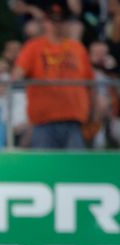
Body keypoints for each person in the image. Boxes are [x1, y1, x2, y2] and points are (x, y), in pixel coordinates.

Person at [12, 1, 95, 149]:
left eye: (61, 20)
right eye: (52, 20)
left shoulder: (77, 48)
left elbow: (90, 84)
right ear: (45, 22)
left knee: (74, 170)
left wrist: (93, 114)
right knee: (44, 170)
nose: (57, 25)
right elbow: (16, 76)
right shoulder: (33, 47)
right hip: (43, 122)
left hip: (74, 121)